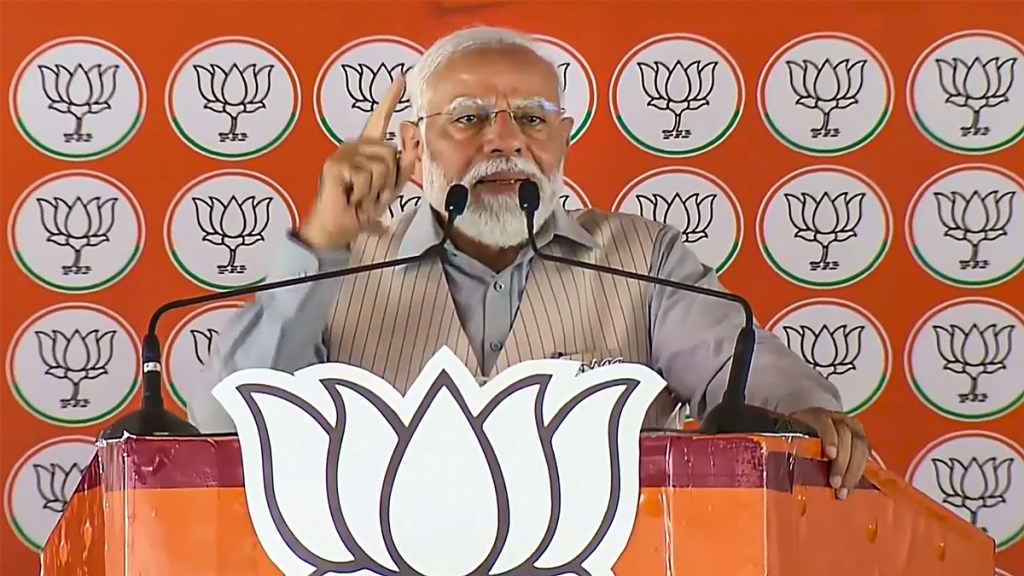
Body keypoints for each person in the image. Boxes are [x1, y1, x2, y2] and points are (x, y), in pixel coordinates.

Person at [188, 26, 872, 499]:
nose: (506, 141)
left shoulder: (642, 257)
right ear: (413, 149)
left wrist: (801, 417)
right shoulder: (339, 270)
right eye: (469, 118)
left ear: (563, 143)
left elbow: (747, 378)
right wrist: (321, 240)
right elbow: (225, 424)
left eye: (535, 120)